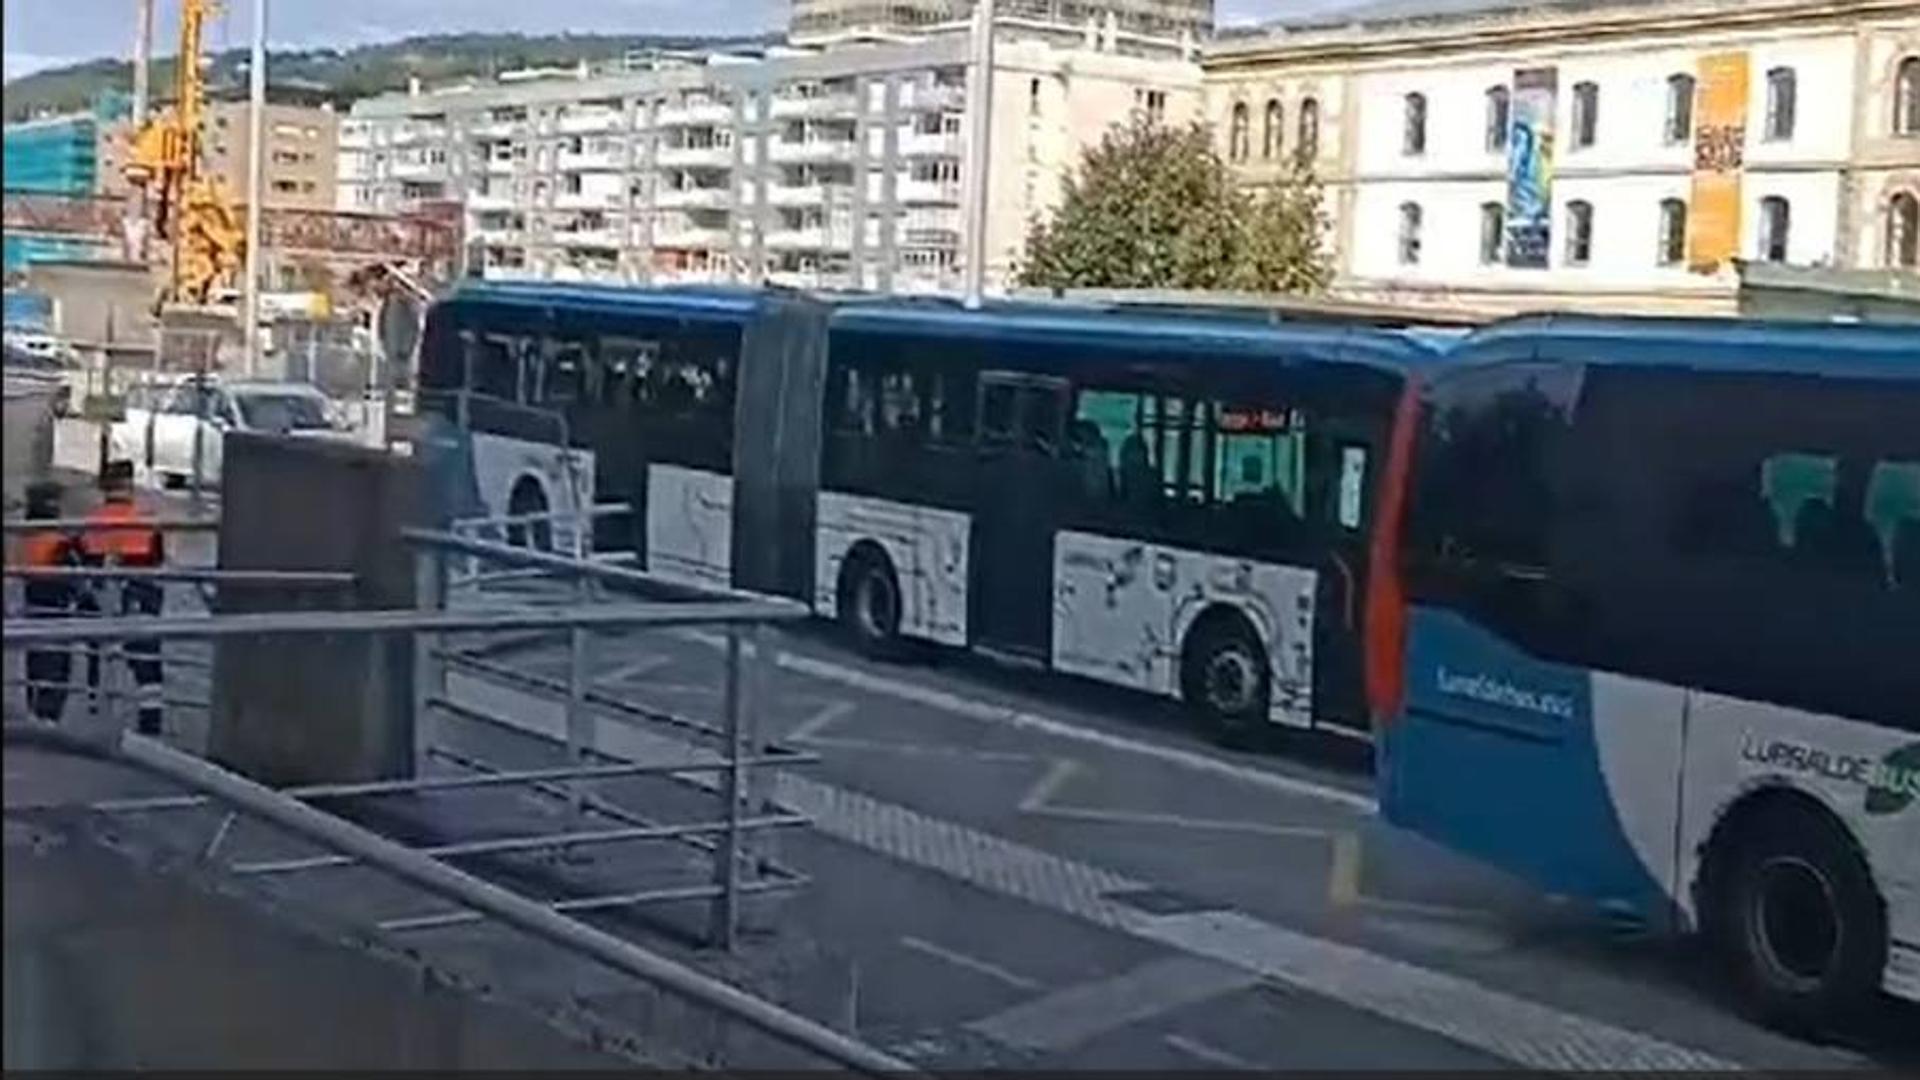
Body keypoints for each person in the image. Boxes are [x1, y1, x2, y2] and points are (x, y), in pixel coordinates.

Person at [80, 460, 167, 735]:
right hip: (139, 597)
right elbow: (158, 560)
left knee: (98, 653)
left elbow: (83, 561)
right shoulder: (145, 521)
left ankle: (95, 707)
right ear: (130, 486)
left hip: (101, 598)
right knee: (148, 667)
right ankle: (151, 724)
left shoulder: (92, 521)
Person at [18, 480, 84, 722]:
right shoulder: (57, 542)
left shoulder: (25, 536)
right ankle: (48, 719)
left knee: (36, 664)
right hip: (56, 607)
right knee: (55, 668)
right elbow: (75, 579)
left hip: (32, 604)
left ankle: (36, 713)